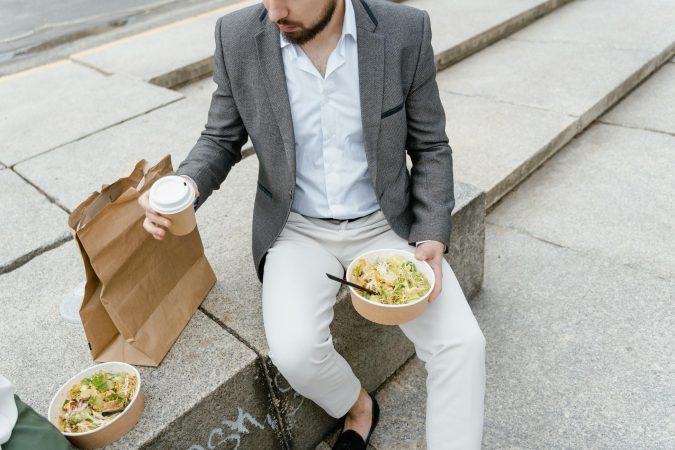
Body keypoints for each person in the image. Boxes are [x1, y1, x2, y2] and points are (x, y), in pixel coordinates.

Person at [138, 0, 485, 448]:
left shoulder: (404, 30)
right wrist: (184, 184)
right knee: (295, 353)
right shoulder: (237, 36)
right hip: (296, 228)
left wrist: (434, 233)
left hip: (386, 223)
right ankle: (358, 406)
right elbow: (221, 137)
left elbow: (431, 145)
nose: (275, 9)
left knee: (462, 345)